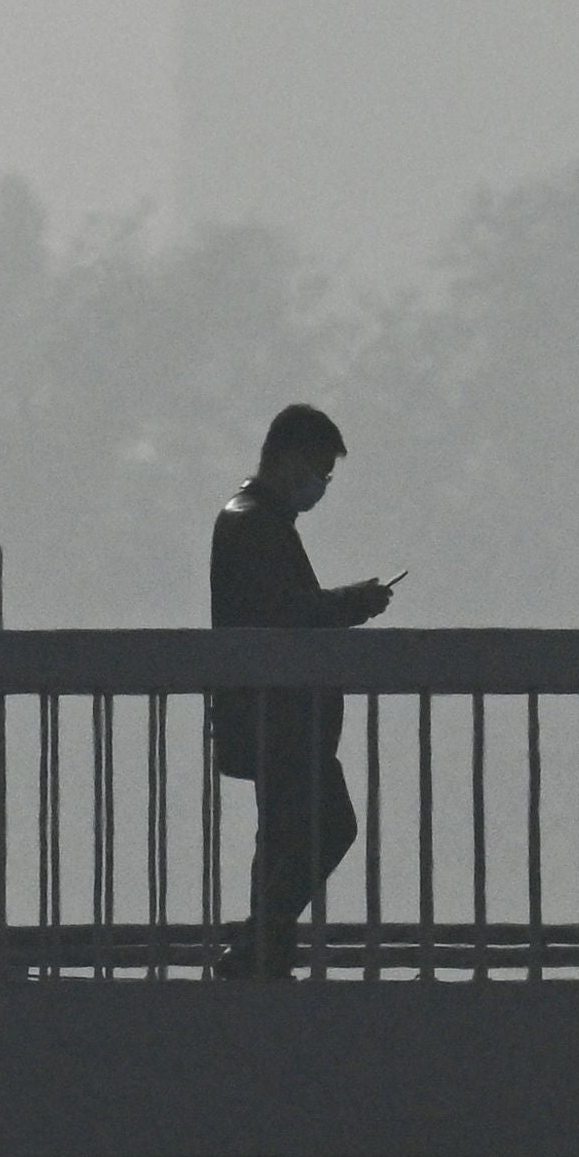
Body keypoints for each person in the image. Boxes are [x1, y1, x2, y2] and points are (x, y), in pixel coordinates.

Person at [207, 403, 395, 976]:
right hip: (280, 716)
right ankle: (257, 943)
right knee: (329, 825)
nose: (320, 486)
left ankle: (266, 952)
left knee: (283, 836)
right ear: (288, 460)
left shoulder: (247, 520)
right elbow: (288, 614)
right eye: (318, 471)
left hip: (268, 715)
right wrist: (353, 603)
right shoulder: (255, 525)